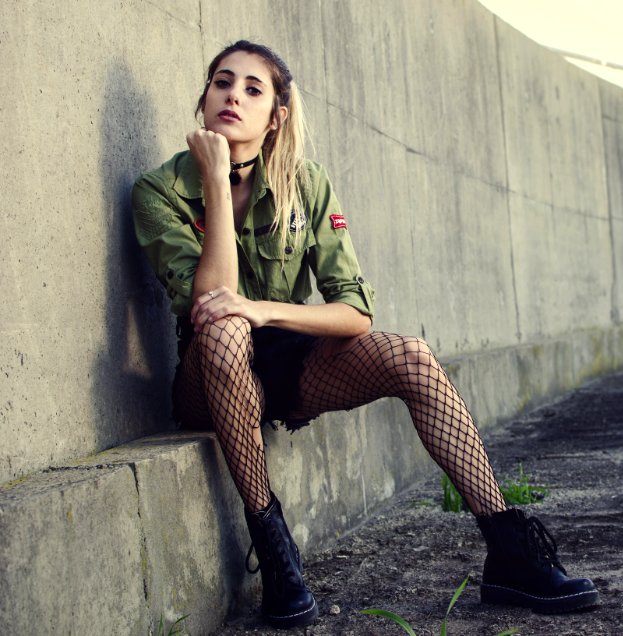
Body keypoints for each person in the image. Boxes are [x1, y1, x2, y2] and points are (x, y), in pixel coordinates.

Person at [132, 40, 598, 629]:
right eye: (222, 82)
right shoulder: (160, 191)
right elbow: (206, 304)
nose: (233, 96)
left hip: (284, 363)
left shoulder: (307, 184)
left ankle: (510, 550)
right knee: (225, 331)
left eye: (254, 89)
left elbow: (354, 312)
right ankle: (276, 554)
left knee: (413, 355)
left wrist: (266, 311)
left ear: (277, 115)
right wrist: (218, 185)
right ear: (204, 99)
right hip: (209, 379)